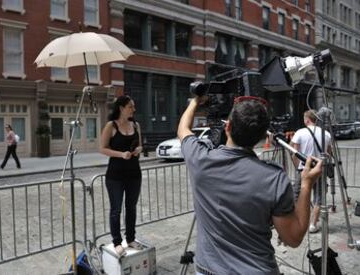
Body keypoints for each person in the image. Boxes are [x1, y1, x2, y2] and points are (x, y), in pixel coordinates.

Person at [178, 96, 322, 275]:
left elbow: (183, 129)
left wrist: (194, 101)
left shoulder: (200, 158)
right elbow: (293, 238)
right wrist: (307, 183)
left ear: (228, 126)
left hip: (208, 270)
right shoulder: (274, 177)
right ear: (262, 136)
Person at [99, 95, 144, 257]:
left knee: (131, 208)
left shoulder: (136, 125)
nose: (134, 109)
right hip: (115, 176)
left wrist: (139, 149)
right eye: (131, 106)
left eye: (133, 106)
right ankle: (117, 242)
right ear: (121, 108)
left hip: (134, 174)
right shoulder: (111, 126)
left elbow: (140, 145)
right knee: (116, 210)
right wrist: (120, 154)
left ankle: (131, 238)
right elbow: (102, 149)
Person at [290, 110, 331, 234]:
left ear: (307, 119)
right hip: (320, 170)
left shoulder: (300, 132)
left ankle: (297, 222)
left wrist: (298, 167)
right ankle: (313, 225)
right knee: (319, 198)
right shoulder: (327, 134)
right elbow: (328, 154)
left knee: (298, 196)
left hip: (304, 170)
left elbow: (294, 153)